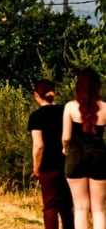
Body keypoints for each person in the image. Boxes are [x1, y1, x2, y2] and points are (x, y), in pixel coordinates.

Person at [63, 67, 106, 229]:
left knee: (80, 207)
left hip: (75, 157)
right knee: (99, 209)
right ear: (97, 86)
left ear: (78, 86)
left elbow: (66, 137)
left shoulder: (70, 107)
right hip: (99, 158)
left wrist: (64, 148)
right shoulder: (105, 108)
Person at [28, 79, 73, 229]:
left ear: (36, 95)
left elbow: (39, 145)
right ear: (55, 92)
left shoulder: (36, 117)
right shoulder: (65, 111)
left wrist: (36, 168)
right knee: (66, 206)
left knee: (50, 207)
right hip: (67, 163)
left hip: (48, 166)